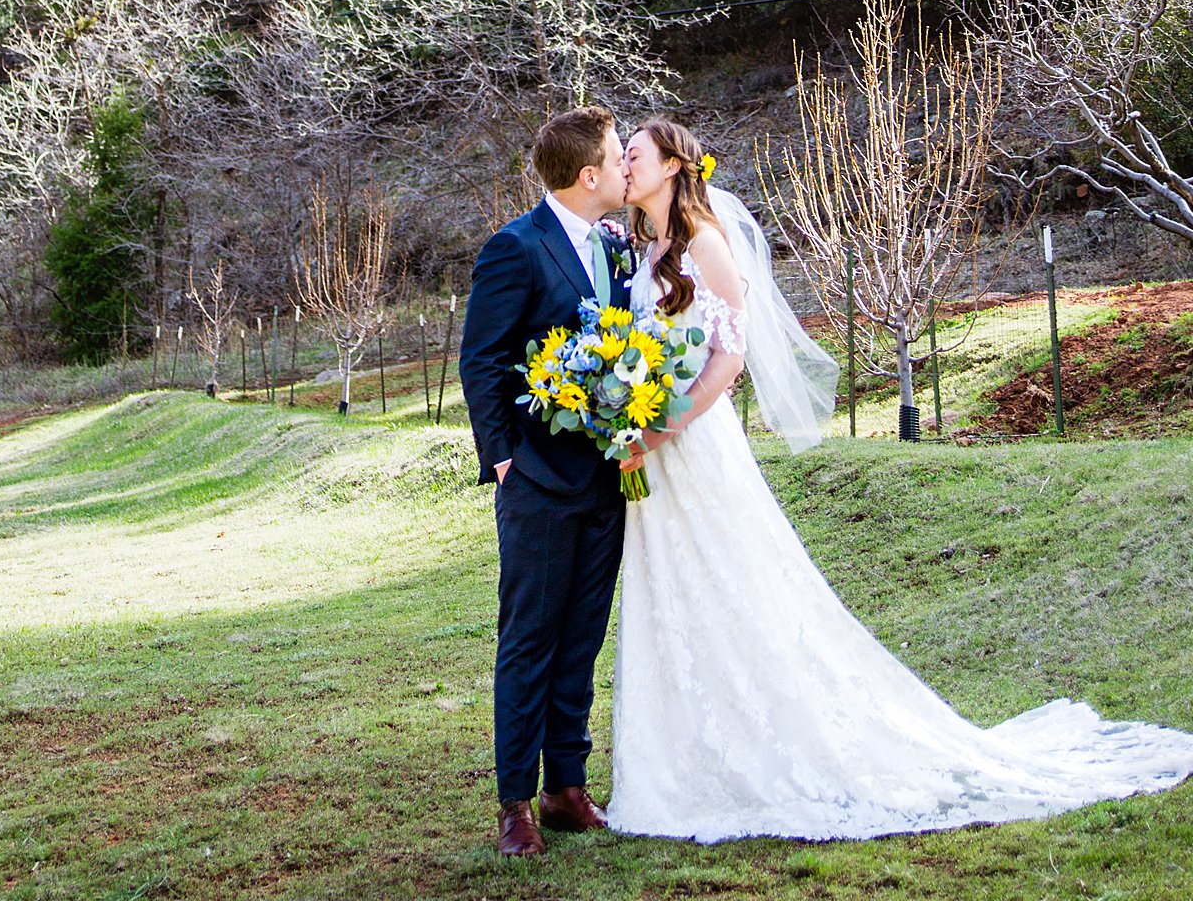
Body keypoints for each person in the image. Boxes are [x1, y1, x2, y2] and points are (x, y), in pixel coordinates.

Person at [610, 116, 1193, 841]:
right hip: (651, 450)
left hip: (693, 443)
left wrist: (661, 425)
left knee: (735, 580)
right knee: (672, 589)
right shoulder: (644, 247)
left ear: (671, 166)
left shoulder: (705, 246)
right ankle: (685, 756)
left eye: (631, 155)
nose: (622, 166)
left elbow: (727, 364)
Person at [458, 103, 636, 858]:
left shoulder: (618, 249)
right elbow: (482, 361)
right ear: (588, 174)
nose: (629, 163)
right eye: (620, 153)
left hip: (607, 480)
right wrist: (504, 461)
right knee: (528, 640)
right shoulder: (515, 247)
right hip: (535, 480)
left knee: (583, 639)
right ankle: (515, 804)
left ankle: (568, 787)